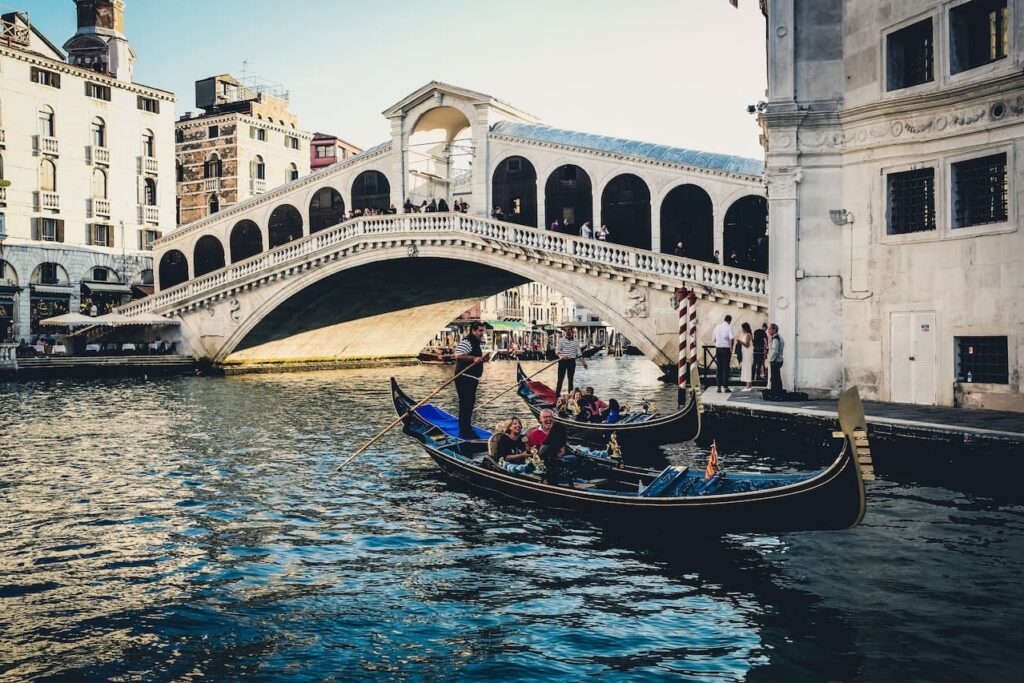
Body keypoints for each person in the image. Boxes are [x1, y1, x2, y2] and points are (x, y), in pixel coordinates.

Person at [453, 322, 488, 439]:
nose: (482, 334)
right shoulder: (467, 341)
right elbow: (458, 355)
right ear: (473, 330)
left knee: (470, 403)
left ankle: (467, 428)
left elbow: (474, 358)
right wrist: (474, 358)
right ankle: (464, 431)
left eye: (483, 331)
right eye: (480, 331)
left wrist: (482, 360)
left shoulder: (475, 343)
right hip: (464, 378)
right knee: (465, 404)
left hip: (472, 378)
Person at [554, 326, 587, 396]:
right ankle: (557, 395)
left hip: (571, 362)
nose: (568, 332)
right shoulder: (561, 340)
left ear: (572, 332)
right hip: (562, 361)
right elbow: (557, 351)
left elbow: (579, 353)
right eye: (567, 331)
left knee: (570, 380)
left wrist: (584, 363)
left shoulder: (575, 341)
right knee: (560, 379)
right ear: (565, 332)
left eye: (570, 331)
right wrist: (561, 356)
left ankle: (570, 395)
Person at [712, 315, 734, 393]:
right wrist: (731, 348)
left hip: (718, 349)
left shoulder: (717, 327)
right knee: (725, 368)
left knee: (719, 368)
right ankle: (725, 387)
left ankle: (718, 387)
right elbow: (732, 338)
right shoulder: (729, 327)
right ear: (729, 320)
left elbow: (713, 339)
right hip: (726, 349)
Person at [768, 323, 785, 395]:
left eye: (770, 329)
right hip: (779, 360)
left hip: (775, 361)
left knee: (774, 379)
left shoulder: (776, 338)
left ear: (774, 330)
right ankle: (778, 392)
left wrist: (771, 360)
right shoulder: (780, 337)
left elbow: (775, 351)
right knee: (777, 378)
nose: (768, 331)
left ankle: (775, 393)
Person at [737, 322, 754, 390]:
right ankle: (748, 385)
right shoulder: (746, 335)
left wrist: (740, 341)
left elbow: (747, 345)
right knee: (746, 367)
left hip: (747, 353)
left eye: (742, 328)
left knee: (747, 368)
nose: (742, 330)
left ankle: (749, 386)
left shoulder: (748, 335)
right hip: (745, 353)